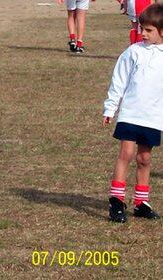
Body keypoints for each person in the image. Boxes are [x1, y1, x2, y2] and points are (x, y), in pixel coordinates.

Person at [102, 3, 163, 223]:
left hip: (153, 117)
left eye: (148, 30)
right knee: (126, 154)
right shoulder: (133, 52)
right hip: (130, 113)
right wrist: (111, 107)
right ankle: (117, 201)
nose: (142, 33)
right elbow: (119, 81)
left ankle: (141, 203)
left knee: (145, 158)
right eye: (141, 28)